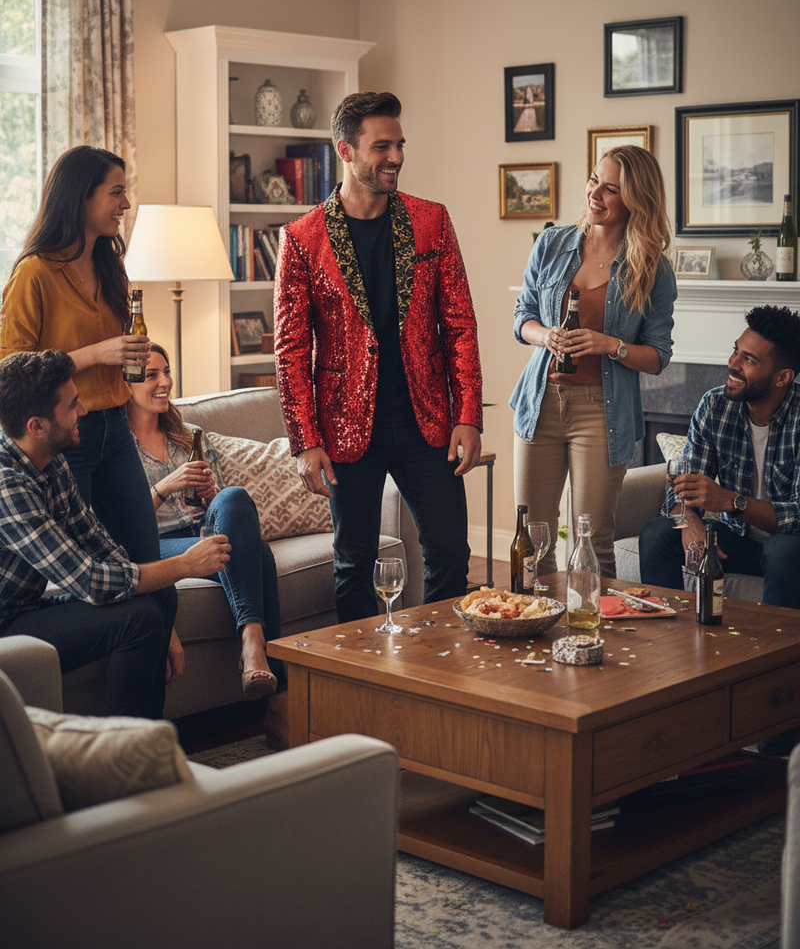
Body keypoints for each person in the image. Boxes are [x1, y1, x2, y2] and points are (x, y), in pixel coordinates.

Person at [274, 91, 483, 623]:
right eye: (381, 146)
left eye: (400, 145)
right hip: (345, 429)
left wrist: (468, 415)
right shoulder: (301, 239)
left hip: (427, 422)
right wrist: (306, 441)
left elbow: (459, 325)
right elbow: (291, 351)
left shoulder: (432, 221)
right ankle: (359, 692)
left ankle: (441, 678)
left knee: (451, 558)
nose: (396, 157)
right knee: (352, 565)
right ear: (345, 150)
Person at [0, 350, 230, 718]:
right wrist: (185, 564)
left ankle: (151, 746)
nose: (85, 412)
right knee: (140, 618)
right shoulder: (7, 485)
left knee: (157, 601)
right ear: (36, 426)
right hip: (5, 625)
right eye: (73, 405)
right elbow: (90, 580)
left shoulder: (50, 458)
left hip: (22, 608)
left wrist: (165, 616)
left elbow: (99, 545)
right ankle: (126, 757)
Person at [510, 146, 677, 578]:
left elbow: (658, 356)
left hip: (602, 413)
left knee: (593, 541)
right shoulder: (552, 243)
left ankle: (592, 641)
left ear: (635, 200)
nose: (595, 194)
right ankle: (532, 635)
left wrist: (610, 344)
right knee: (531, 540)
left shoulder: (652, 267)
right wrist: (544, 334)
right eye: (593, 180)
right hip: (540, 402)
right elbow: (521, 317)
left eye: (611, 189)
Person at [0, 145, 157, 563]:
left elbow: (116, 351)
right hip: (68, 437)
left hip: (116, 430)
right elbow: (9, 372)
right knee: (90, 563)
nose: (125, 204)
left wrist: (129, 357)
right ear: (81, 196)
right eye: (116, 192)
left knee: (145, 552)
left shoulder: (111, 267)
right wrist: (96, 354)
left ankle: (166, 632)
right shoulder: (34, 272)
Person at [126, 344, 286, 731]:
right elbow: (123, 525)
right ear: (126, 384)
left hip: (204, 529)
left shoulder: (189, 435)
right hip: (156, 544)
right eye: (152, 376)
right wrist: (164, 487)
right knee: (258, 556)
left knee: (233, 497)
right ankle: (266, 675)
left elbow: (229, 510)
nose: (164, 382)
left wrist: (214, 495)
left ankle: (254, 649)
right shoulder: (117, 449)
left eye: (167, 372)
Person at [639, 305, 800, 602]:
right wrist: (689, 521)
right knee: (658, 533)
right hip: (735, 542)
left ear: (783, 377)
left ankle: (780, 646)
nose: (732, 364)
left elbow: (797, 516)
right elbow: (682, 487)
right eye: (735, 351)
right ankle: (667, 639)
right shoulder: (715, 406)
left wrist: (730, 501)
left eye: (748, 359)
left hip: (790, 552)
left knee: (783, 549)